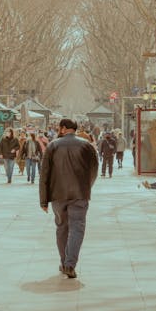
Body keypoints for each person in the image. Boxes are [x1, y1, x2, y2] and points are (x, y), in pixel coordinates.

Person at [39, 118, 98, 279]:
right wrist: (86, 187)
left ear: (63, 128)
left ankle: (64, 262)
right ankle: (70, 264)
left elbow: (44, 173)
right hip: (80, 194)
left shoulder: (53, 145)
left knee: (62, 228)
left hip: (57, 195)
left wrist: (43, 199)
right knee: (77, 228)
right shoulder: (86, 145)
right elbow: (94, 169)